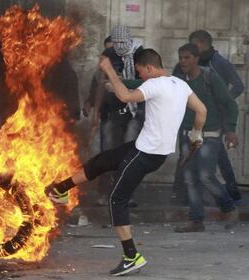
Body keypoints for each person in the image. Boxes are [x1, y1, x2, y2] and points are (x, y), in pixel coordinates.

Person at [46, 49, 207, 276]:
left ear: (150, 68)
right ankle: (62, 189)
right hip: (152, 152)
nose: (141, 77)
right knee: (104, 160)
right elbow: (201, 110)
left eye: (141, 72)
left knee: (116, 198)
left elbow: (125, 97)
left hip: (145, 154)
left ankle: (131, 256)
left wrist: (110, 70)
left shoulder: (154, 84)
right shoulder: (179, 84)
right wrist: (196, 134)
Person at [172, 30, 245, 205]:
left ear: (202, 46)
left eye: (194, 47)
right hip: (190, 125)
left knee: (210, 168)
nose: (184, 60)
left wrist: (219, 103)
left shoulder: (217, 64)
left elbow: (237, 87)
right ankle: (186, 200)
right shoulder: (183, 69)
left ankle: (230, 196)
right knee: (189, 164)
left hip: (212, 124)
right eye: (182, 57)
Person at [84, 27, 144, 206]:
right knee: (108, 154)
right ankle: (105, 194)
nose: (119, 47)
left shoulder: (140, 54)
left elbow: (148, 82)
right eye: (116, 43)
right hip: (112, 113)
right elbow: (101, 84)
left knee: (130, 154)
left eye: (122, 43)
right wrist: (96, 112)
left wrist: (122, 81)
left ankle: (126, 195)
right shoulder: (108, 55)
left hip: (134, 112)